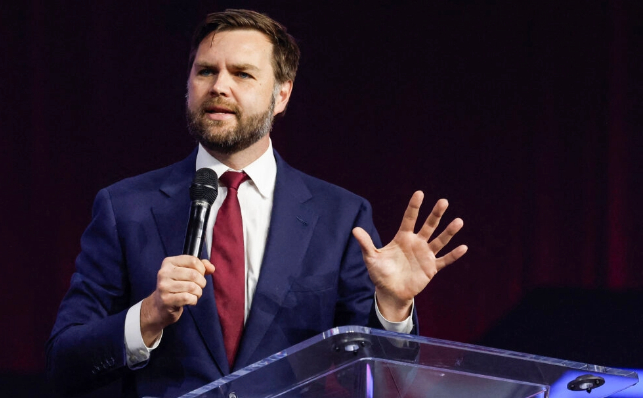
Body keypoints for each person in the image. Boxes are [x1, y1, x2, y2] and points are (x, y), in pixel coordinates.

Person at [46, 9, 467, 398]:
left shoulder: (339, 217)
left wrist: (392, 307)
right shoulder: (126, 208)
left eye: (243, 74)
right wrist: (149, 315)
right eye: (206, 71)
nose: (219, 86)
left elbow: (384, 378)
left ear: (281, 95)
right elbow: (64, 359)